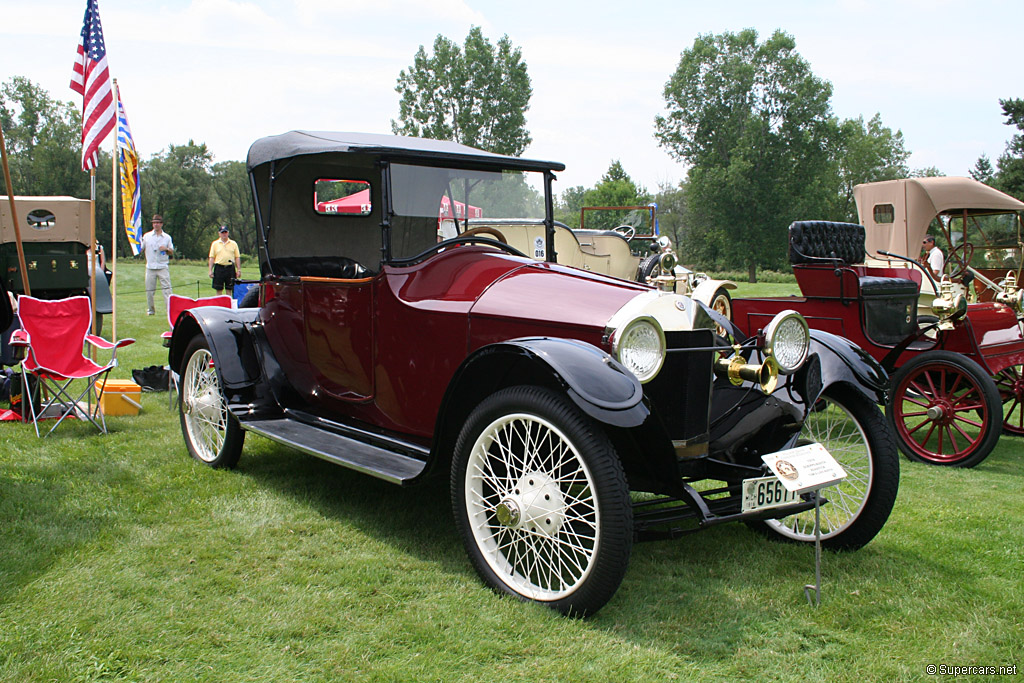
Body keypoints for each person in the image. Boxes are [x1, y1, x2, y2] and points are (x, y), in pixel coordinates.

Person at [141, 214, 174, 316]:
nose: (156, 225)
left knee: (167, 290)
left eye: (158, 223)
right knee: (150, 291)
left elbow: (171, 251)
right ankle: (151, 309)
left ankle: (170, 310)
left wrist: (166, 249)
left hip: (162, 267)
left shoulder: (167, 237)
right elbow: (141, 249)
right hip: (150, 267)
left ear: (161, 224)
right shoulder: (146, 236)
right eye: (154, 223)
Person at [208, 226, 241, 295]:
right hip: (219, 267)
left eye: (225, 232)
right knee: (219, 289)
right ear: (219, 234)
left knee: (229, 289)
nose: (224, 234)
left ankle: (228, 304)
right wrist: (210, 270)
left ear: (228, 233)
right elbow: (212, 257)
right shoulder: (215, 244)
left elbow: (237, 257)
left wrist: (238, 269)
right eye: (222, 232)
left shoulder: (233, 243)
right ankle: (219, 304)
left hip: (230, 268)